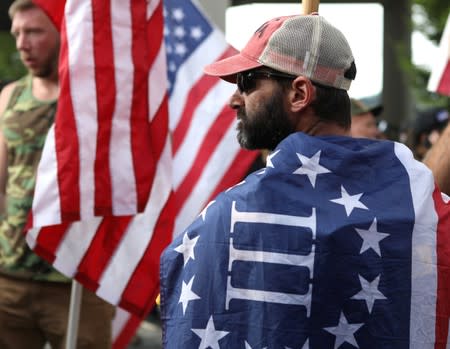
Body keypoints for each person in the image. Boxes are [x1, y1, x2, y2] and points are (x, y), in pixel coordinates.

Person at [159, 14, 450, 348]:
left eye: (248, 81)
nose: (234, 99)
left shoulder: (227, 217)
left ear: (299, 93)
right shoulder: (423, 210)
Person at [0, 1, 114, 348]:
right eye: (18, 33)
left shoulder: (92, 97)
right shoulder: (10, 96)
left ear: (63, 33)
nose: (22, 43)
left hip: (74, 280)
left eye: (33, 31)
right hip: (10, 278)